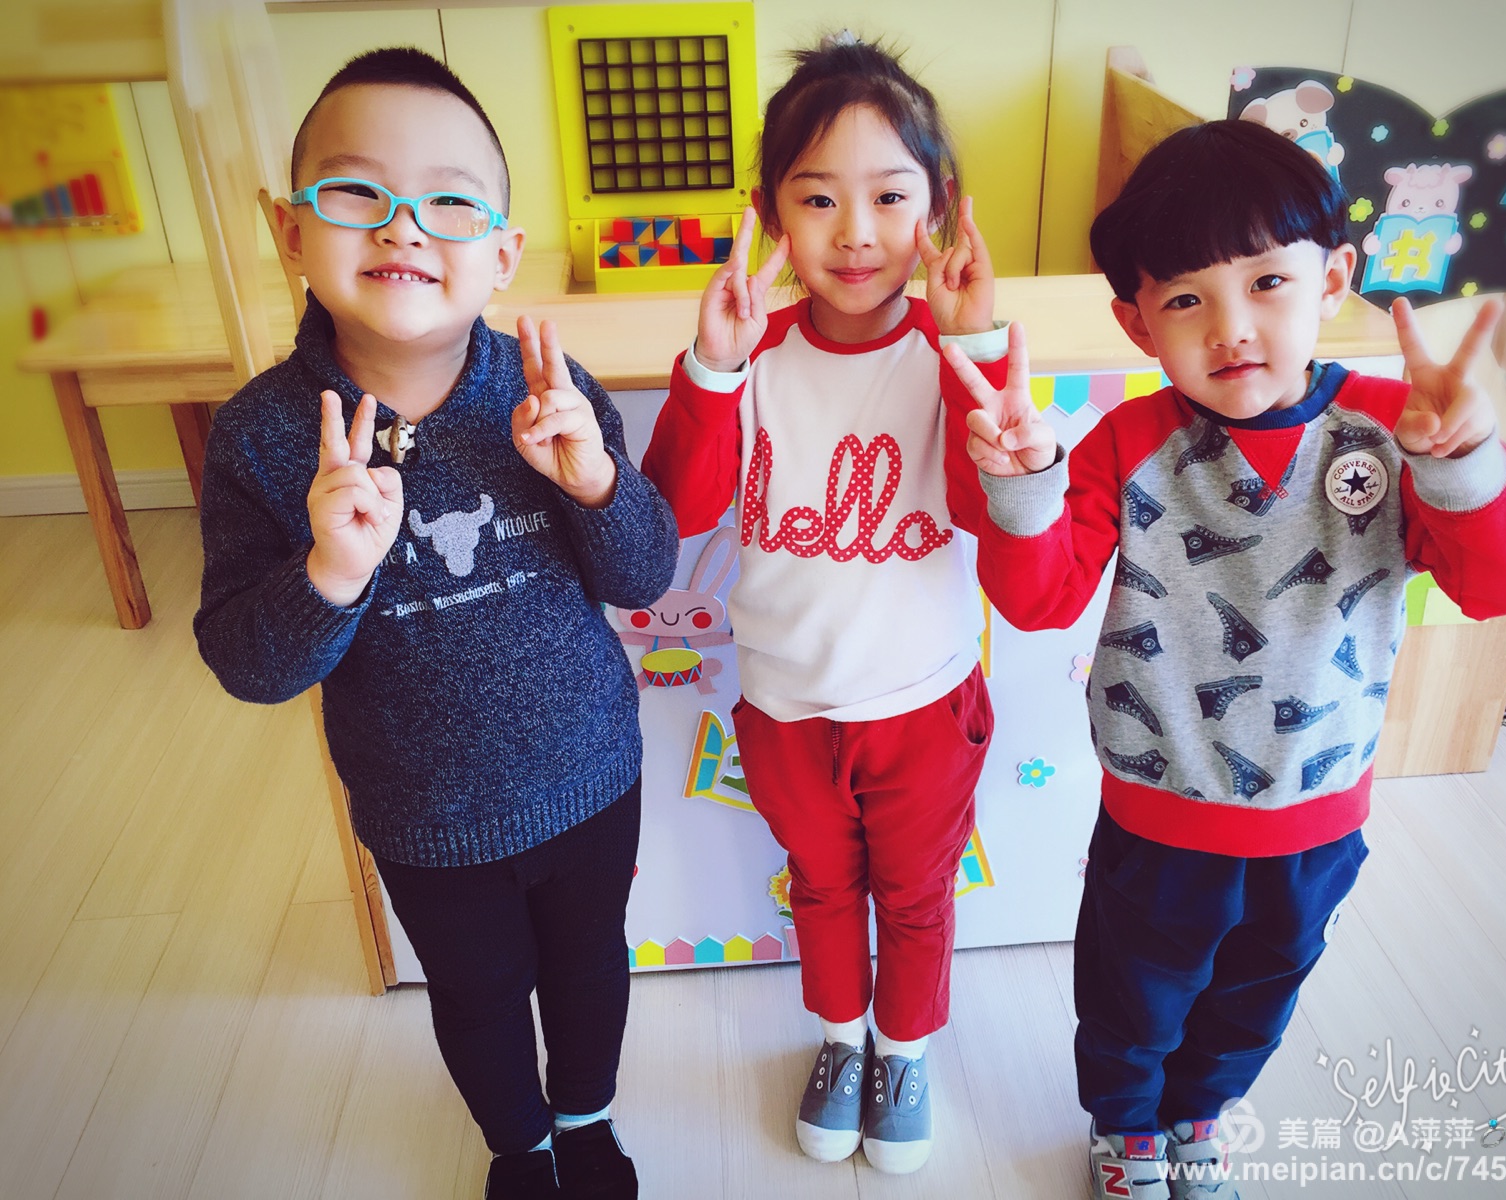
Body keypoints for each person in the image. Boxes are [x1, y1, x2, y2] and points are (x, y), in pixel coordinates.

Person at [945, 119, 1506, 1200]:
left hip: (1319, 813)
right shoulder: (1126, 444)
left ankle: (1198, 1117)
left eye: (1267, 282)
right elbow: (1038, 600)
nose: (1232, 328)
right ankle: (1126, 1131)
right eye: (1187, 299)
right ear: (1136, 322)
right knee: (1132, 998)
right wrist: (1023, 479)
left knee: (1258, 996)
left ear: (1333, 278)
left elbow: (1505, 585)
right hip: (1158, 814)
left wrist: (1466, 457)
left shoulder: (1398, 428)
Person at [193, 47, 678, 1200]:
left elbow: (645, 573)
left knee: (588, 968)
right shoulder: (261, 436)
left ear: (502, 253)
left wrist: (595, 481)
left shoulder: (548, 387)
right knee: (473, 995)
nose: (404, 226)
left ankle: (588, 1121)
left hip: (590, 775)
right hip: (421, 814)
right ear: (288, 229)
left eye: (449, 201)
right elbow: (247, 664)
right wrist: (329, 572)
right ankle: (520, 1146)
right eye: (356, 191)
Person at [641, 33, 1016, 1176]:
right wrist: (713, 366)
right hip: (785, 709)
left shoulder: (952, 351)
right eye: (818, 199)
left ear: (936, 208)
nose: (855, 232)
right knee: (821, 887)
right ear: (769, 214)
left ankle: (903, 1051)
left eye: (889, 197)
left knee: (915, 896)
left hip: (923, 706)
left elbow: (991, 512)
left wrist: (978, 351)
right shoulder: (750, 354)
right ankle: (842, 1039)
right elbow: (673, 513)